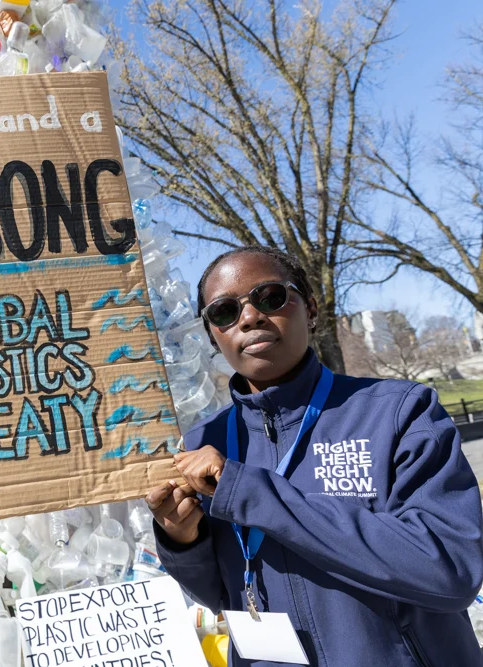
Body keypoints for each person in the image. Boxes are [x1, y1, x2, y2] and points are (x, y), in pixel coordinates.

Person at [145, 245, 483, 667]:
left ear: (311, 308)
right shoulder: (202, 442)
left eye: (270, 297)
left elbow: (450, 571)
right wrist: (182, 541)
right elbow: (221, 595)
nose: (249, 318)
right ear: (213, 334)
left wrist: (250, 492)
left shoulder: (399, 411)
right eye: (224, 311)